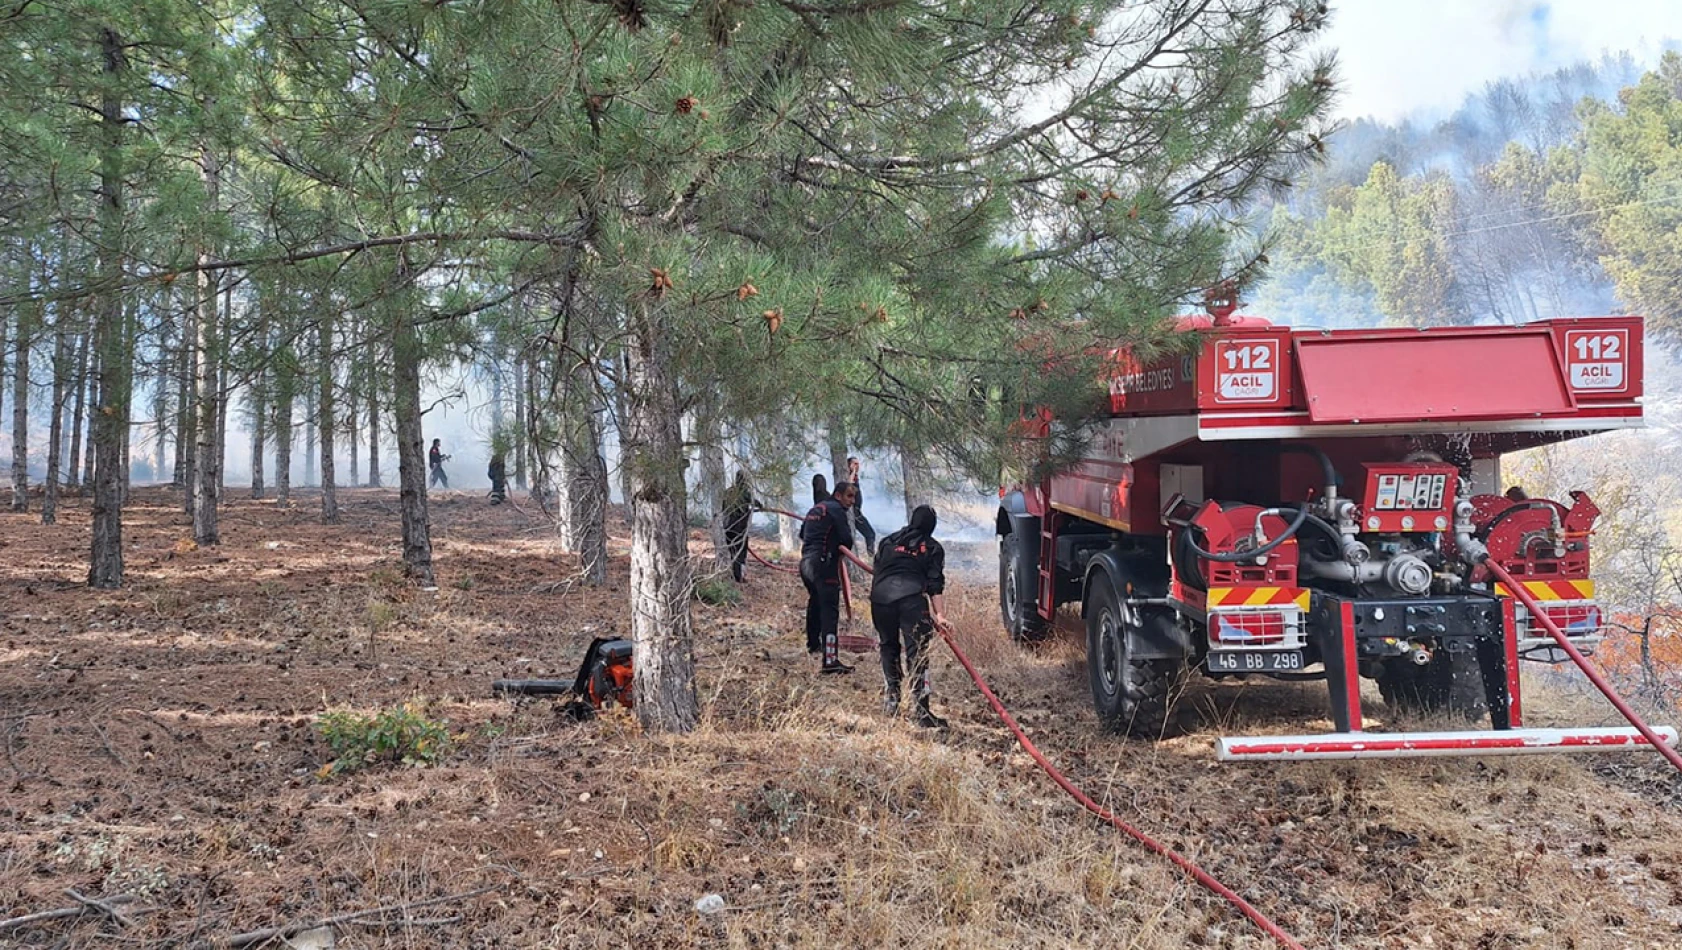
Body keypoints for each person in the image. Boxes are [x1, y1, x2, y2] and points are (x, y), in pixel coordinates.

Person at [870, 505, 949, 728]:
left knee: (888, 646)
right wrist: (940, 616)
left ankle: (892, 700)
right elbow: (935, 584)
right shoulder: (932, 547)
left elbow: (877, 571)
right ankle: (922, 711)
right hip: (911, 601)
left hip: (880, 599)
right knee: (918, 654)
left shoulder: (888, 541)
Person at [801, 480, 858, 674]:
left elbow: (803, 534)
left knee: (815, 602)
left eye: (854, 497)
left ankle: (813, 644)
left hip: (806, 564)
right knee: (830, 612)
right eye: (849, 496)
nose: (852, 501)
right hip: (824, 564)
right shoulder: (836, 510)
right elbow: (847, 539)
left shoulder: (815, 509)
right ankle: (830, 661)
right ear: (838, 495)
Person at [721, 470, 759, 583]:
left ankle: (730, 575)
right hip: (740, 529)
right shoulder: (745, 493)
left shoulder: (728, 492)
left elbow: (723, 508)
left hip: (727, 527)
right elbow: (756, 503)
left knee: (731, 552)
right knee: (740, 553)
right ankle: (738, 577)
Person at [845, 456, 878, 555]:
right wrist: (853, 471)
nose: (857, 466)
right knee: (870, 534)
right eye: (854, 464)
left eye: (858, 464)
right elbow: (849, 484)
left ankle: (870, 554)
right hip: (854, 513)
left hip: (857, 512)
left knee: (871, 534)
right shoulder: (849, 477)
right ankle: (871, 555)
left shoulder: (855, 477)